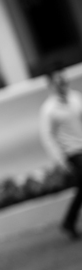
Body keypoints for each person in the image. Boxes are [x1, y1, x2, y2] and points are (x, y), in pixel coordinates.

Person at [40, 71, 82, 239]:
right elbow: (48, 137)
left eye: (63, 80)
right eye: (58, 81)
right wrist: (60, 160)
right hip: (72, 153)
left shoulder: (76, 98)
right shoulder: (48, 110)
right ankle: (69, 222)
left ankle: (69, 221)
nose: (62, 83)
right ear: (51, 85)